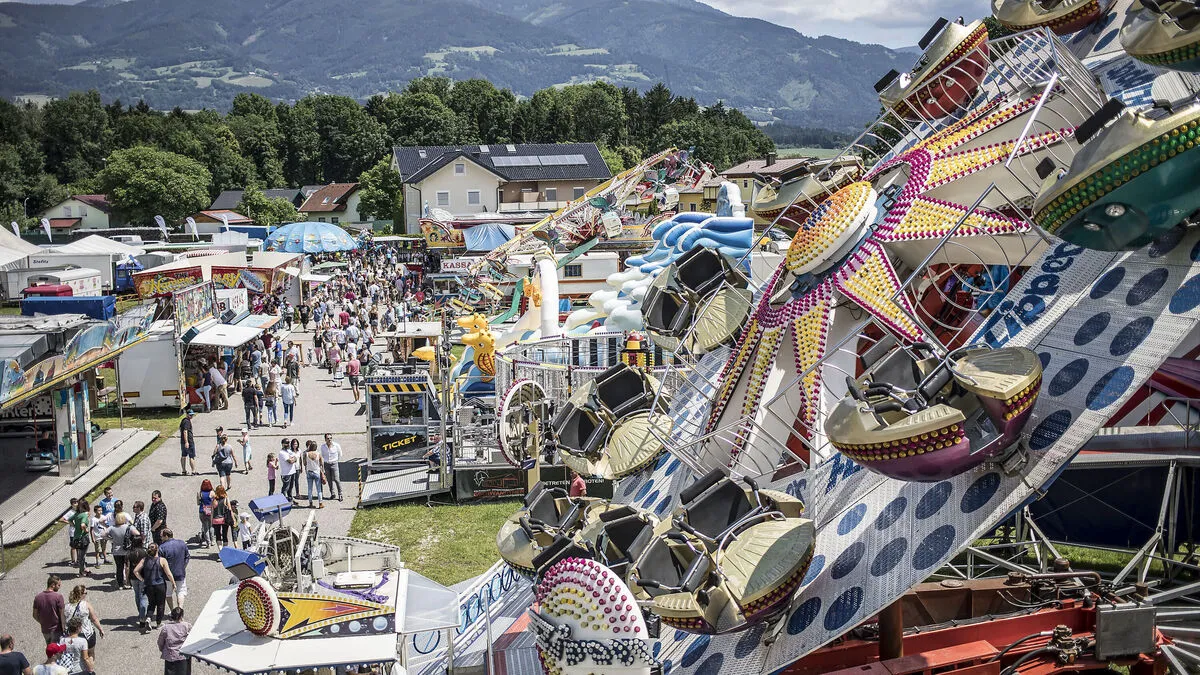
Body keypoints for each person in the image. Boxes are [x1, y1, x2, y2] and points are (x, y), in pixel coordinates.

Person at [132, 543, 175, 629]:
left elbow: (135, 571)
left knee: (151, 603)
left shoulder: (144, 560)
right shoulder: (162, 560)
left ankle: (148, 618)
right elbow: (169, 574)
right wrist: (173, 583)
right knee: (160, 604)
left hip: (149, 585)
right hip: (160, 585)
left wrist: (142, 579)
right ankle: (158, 623)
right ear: (157, 550)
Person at [62, 586, 102, 663]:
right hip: (87, 634)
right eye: (85, 593)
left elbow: (63, 623)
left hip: (72, 635)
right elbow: (94, 619)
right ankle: (90, 669)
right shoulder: (86, 605)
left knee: (74, 655)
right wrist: (100, 629)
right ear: (80, 594)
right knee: (90, 653)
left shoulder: (66, 607)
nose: (86, 594)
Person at [158, 529, 189, 611]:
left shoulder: (162, 547)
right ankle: (180, 610)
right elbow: (187, 557)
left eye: (162, 536)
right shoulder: (182, 543)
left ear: (166, 536)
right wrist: (183, 567)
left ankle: (172, 610)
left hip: (167, 575)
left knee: (168, 593)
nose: (161, 538)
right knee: (181, 592)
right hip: (180, 573)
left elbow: (160, 562)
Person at [126, 536, 149, 633]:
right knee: (143, 596)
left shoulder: (129, 553)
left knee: (137, 595)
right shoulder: (145, 552)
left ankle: (141, 614)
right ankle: (143, 617)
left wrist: (126, 579)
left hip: (133, 576)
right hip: (144, 576)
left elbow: (127, 567)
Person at [157, 607, 191, 675]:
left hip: (170, 656)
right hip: (184, 656)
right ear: (182, 616)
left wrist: (162, 649)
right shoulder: (187, 626)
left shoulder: (166, 628)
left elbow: (160, 642)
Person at [33, 576, 65, 645]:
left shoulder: (37, 597)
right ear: (53, 585)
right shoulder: (58, 597)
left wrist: (42, 622)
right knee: (58, 651)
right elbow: (62, 615)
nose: (59, 587)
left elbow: (34, 615)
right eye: (58, 585)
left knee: (50, 650)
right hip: (57, 630)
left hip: (45, 630)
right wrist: (64, 629)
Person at [105, 514, 133, 589]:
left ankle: (120, 584)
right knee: (128, 566)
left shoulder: (112, 528)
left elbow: (103, 534)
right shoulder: (128, 527)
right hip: (126, 550)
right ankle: (129, 582)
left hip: (116, 550)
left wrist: (111, 539)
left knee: (119, 568)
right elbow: (137, 533)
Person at [67, 500, 90, 576]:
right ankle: (81, 571)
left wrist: (74, 526)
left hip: (76, 537)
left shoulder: (77, 514)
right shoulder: (84, 515)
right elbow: (83, 525)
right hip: (83, 538)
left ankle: (84, 568)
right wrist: (86, 530)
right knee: (82, 556)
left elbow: (69, 520)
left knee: (80, 555)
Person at [319, 433, 343, 502]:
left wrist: (336, 461)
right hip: (326, 464)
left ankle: (340, 494)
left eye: (330, 438)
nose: (329, 440)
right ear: (325, 439)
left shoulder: (336, 445)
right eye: (328, 438)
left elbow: (340, 454)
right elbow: (322, 455)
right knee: (329, 480)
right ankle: (332, 493)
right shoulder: (323, 447)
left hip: (334, 464)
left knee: (336, 479)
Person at [58, 499, 79, 567]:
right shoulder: (71, 512)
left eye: (77, 502)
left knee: (79, 546)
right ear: (72, 505)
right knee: (73, 546)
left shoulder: (79, 511)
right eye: (74, 503)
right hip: (73, 531)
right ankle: (73, 561)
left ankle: (79, 560)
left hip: (79, 531)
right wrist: (70, 523)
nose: (76, 504)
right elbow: (61, 519)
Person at [304, 440, 324, 509]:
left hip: (309, 472)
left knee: (310, 489)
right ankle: (320, 503)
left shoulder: (306, 454)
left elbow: (304, 463)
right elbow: (321, 464)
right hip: (316, 472)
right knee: (319, 489)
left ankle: (310, 503)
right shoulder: (318, 454)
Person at [196, 480, 214, 548]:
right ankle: (213, 540)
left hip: (202, 511)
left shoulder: (200, 493)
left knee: (205, 527)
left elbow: (198, 503)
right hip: (210, 511)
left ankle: (208, 543)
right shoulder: (212, 493)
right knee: (211, 526)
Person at [179, 410, 196, 476]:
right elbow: (185, 431)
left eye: (192, 415)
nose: (191, 416)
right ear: (187, 414)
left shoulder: (183, 420)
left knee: (183, 455)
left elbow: (180, 429)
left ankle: (184, 471)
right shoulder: (187, 422)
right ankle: (193, 471)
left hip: (182, 441)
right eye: (190, 415)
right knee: (191, 456)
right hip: (189, 442)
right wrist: (187, 442)